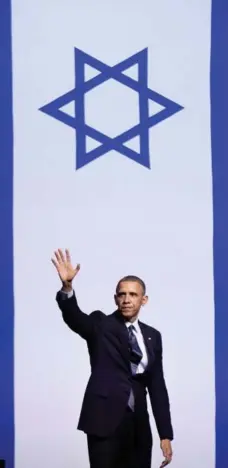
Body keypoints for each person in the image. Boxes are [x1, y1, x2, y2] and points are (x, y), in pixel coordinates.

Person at [52, 248, 173, 468]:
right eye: (122, 294)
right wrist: (67, 287)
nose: (127, 299)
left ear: (144, 300)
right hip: (103, 420)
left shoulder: (152, 336)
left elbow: (157, 386)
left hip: (138, 425)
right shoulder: (101, 325)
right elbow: (75, 318)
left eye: (133, 294)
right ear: (115, 298)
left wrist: (165, 434)